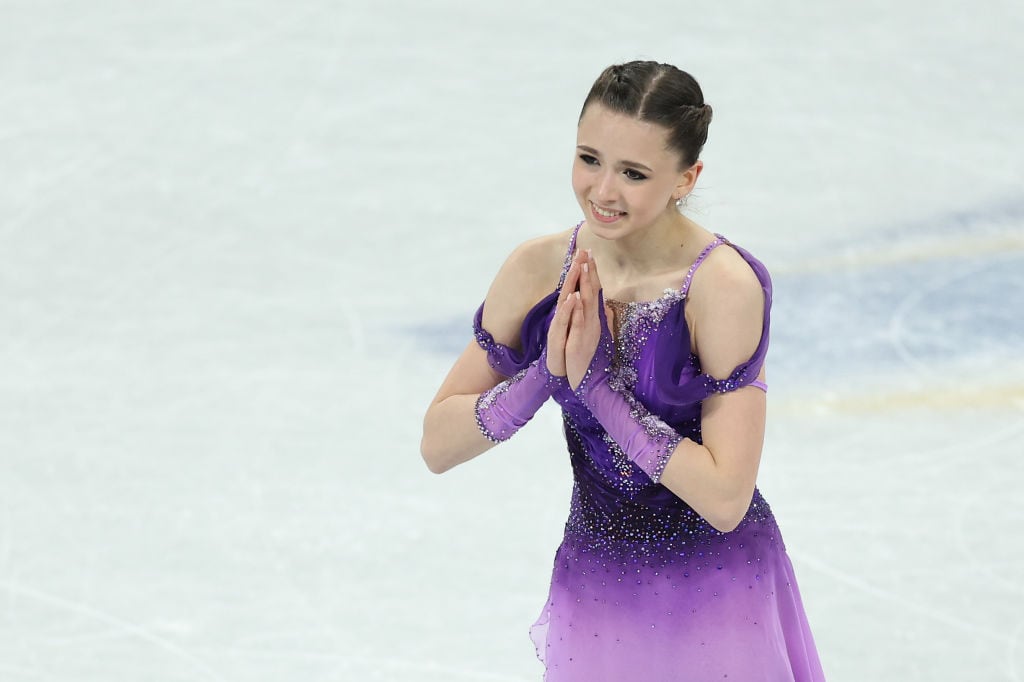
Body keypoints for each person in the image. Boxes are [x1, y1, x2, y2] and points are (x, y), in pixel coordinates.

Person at [421, 60, 826, 681]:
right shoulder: (537, 269)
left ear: (686, 178)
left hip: (717, 594)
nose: (602, 192)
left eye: (633, 173)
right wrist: (542, 378)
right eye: (589, 159)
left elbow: (724, 497)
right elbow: (437, 445)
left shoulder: (720, 288)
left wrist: (599, 393)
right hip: (598, 589)